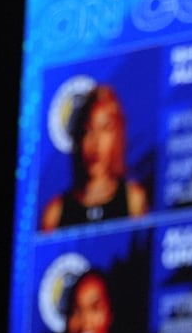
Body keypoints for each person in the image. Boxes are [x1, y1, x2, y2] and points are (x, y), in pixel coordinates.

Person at [39, 84, 150, 231]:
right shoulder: (55, 212)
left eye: (105, 129)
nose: (95, 144)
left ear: (117, 136)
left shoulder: (134, 200)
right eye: (88, 130)